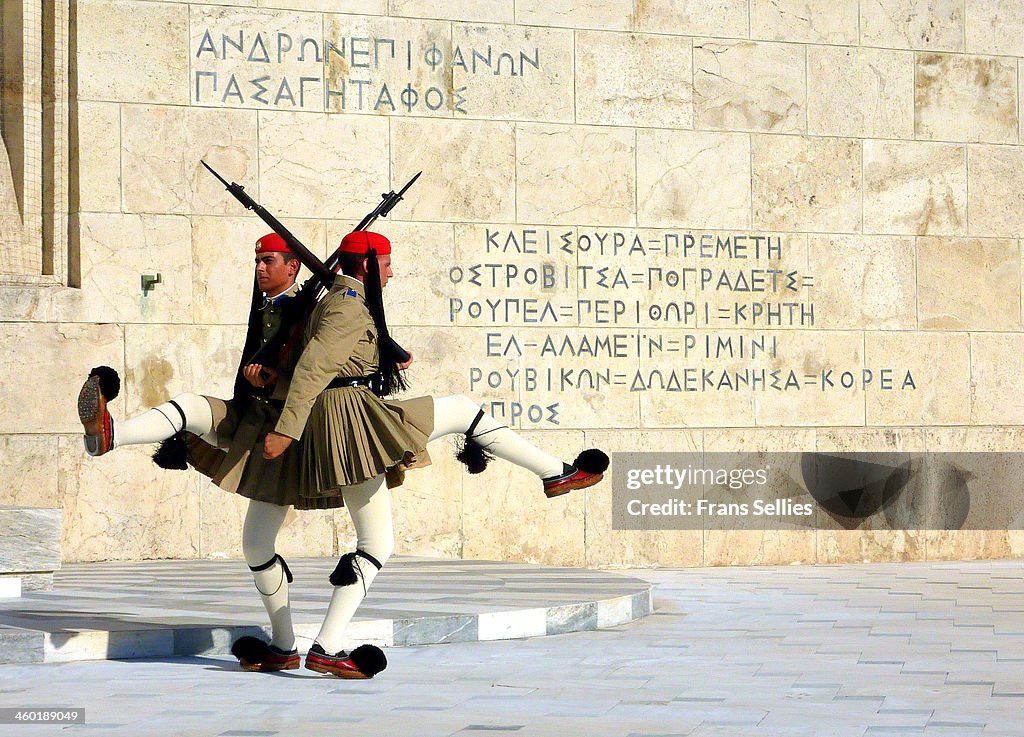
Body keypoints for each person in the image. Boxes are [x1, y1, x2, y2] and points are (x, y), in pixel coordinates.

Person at [79, 230, 608, 679]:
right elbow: (316, 367)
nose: (393, 273)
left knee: (256, 537)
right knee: (379, 537)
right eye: (389, 264)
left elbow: (316, 358)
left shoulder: (332, 299)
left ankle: (285, 646)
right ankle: (325, 647)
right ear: (370, 265)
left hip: (316, 416)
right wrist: (286, 426)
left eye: (268, 260)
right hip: (345, 422)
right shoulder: (346, 302)